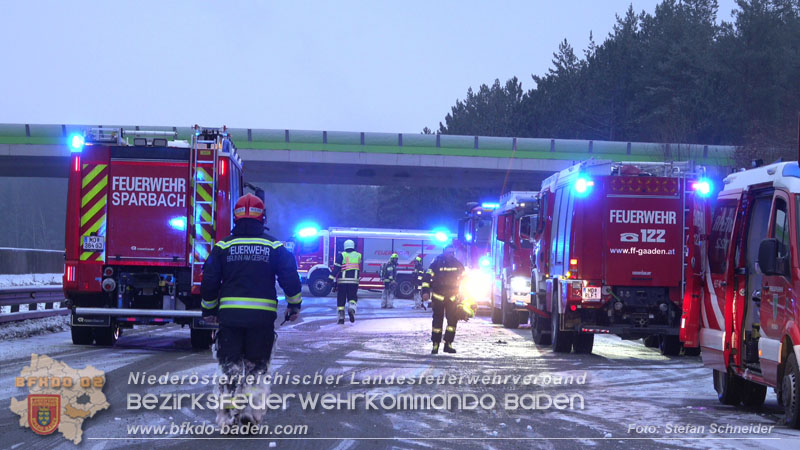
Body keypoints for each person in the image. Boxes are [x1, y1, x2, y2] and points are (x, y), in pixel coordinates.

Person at [201, 193, 302, 427]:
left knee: (229, 367)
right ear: (263, 218)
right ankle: (249, 415)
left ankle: (226, 417)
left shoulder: (222, 247)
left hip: (230, 319)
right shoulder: (274, 247)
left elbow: (210, 280)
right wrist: (294, 305)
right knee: (257, 366)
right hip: (261, 320)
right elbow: (290, 277)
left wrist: (208, 309)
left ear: (235, 218)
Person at [421, 245, 465, 354]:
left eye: (452, 252)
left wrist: (465, 297)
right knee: (437, 322)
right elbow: (427, 278)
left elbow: (465, 280)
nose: (450, 254)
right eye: (449, 252)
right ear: (444, 252)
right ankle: (435, 345)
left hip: (453, 298)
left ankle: (448, 344)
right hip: (438, 297)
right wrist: (425, 292)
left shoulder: (458, 264)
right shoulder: (436, 263)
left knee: (452, 322)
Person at [328, 239, 362, 324]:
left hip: (342, 282)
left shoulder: (341, 255)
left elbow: (336, 269)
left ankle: (341, 317)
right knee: (353, 297)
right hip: (354, 281)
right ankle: (352, 309)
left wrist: (330, 279)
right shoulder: (358, 255)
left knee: (341, 299)